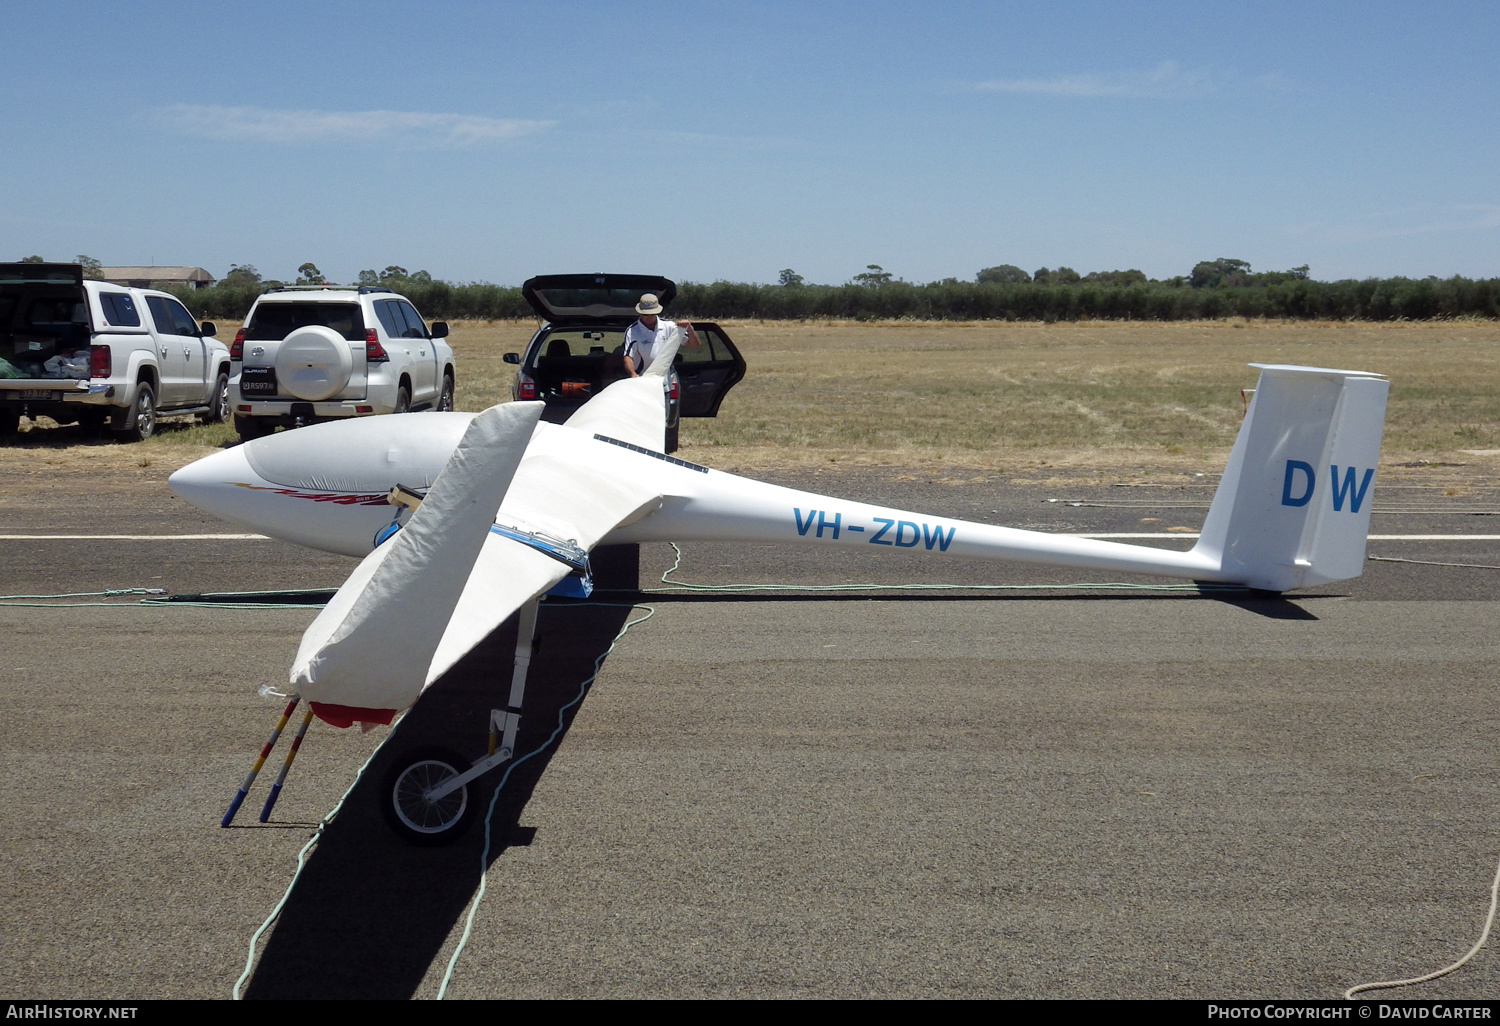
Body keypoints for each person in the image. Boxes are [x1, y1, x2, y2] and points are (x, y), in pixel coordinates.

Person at [622, 293, 700, 377]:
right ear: (640, 313)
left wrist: (690, 330)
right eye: (645, 314)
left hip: (667, 381)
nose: (649, 317)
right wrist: (633, 374)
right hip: (644, 380)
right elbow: (628, 357)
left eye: (652, 314)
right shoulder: (632, 330)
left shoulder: (669, 326)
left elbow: (695, 345)